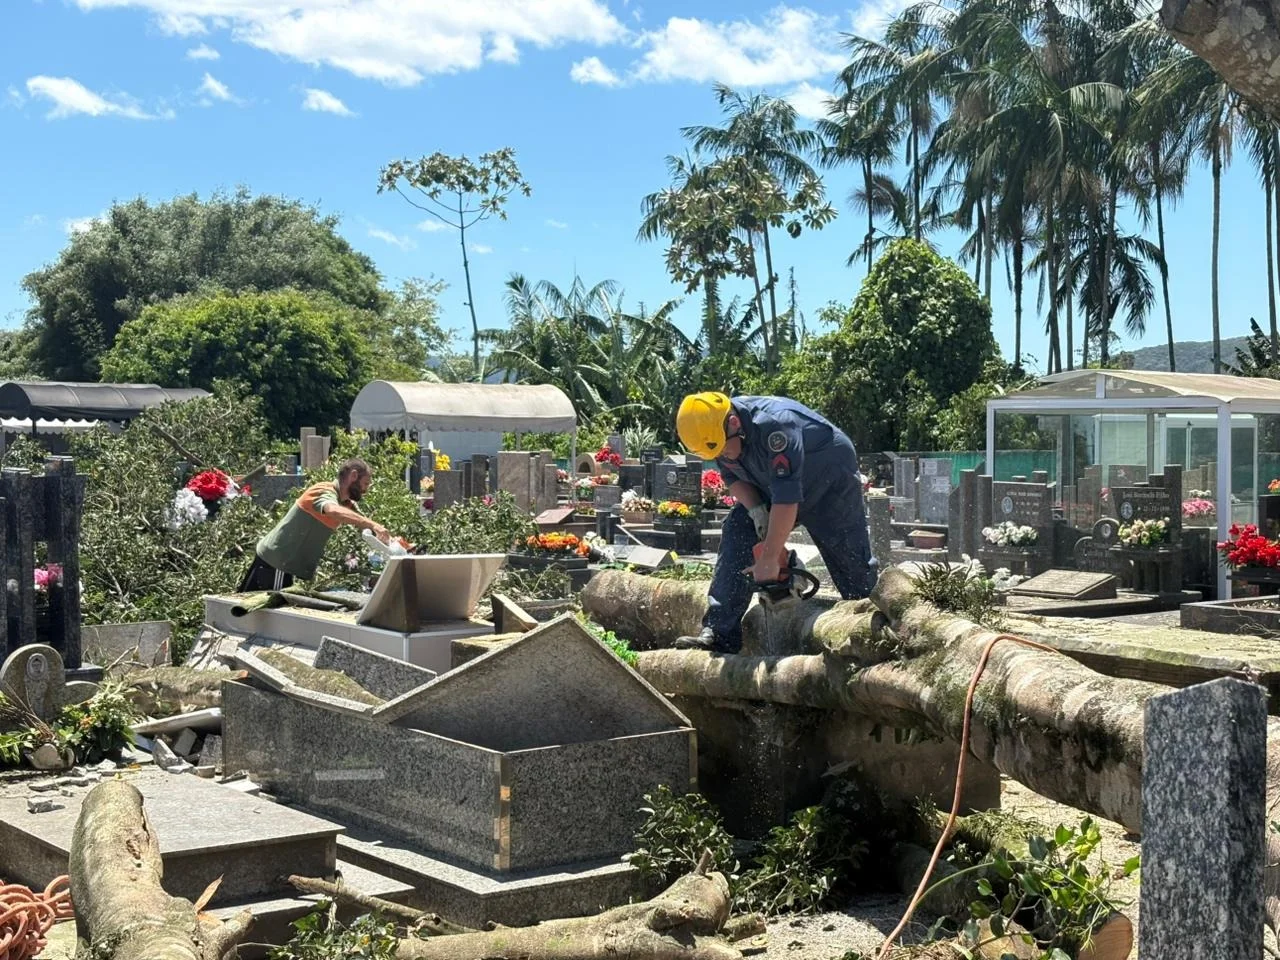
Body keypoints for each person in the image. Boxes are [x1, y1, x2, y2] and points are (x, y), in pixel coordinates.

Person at [673, 392, 877, 653]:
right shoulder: (715, 435)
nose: (724, 455)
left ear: (734, 423)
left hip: (829, 483)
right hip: (773, 485)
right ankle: (720, 633)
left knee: (854, 570)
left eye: (724, 448)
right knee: (738, 527)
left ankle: (870, 638)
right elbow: (734, 479)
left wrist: (770, 558)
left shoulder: (776, 426)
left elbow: (787, 499)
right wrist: (757, 511)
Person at [238, 458, 391, 592]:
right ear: (354, 476)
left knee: (256, 608)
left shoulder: (345, 503)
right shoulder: (323, 490)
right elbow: (332, 510)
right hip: (277, 561)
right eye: (365, 483)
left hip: (284, 564)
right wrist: (373, 525)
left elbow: (364, 523)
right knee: (266, 610)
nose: (366, 490)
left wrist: (392, 541)